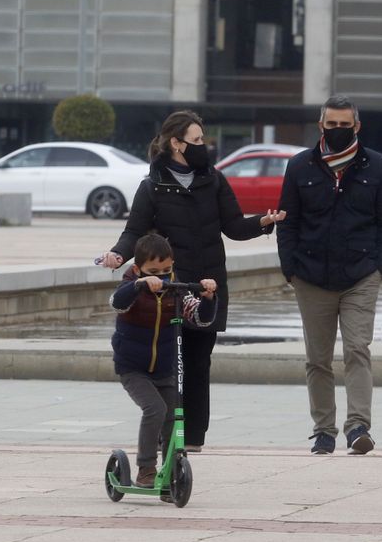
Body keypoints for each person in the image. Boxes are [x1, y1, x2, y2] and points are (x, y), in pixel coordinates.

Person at [99, 110, 283, 451]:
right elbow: (134, 233)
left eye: (202, 140)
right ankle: (165, 439)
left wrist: (263, 222)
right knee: (169, 368)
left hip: (207, 286)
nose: (204, 146)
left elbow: (233, 226)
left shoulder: (213, 179)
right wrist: (117, 255)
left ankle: (193, 439)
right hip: (166, 290)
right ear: (176, 143)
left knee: (198, 364)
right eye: (197, 140)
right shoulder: (152, 186)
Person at [276, 95, 382, 455]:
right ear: (321, 126)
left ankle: (358, 426)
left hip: (361, 275)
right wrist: (290, 268)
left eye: (345, 125)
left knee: (357, 349)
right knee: (317, 358)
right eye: (332, 125)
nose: (338, 131)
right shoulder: (300, 166)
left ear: (357, 126)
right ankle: (324, 430)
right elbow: (289, 221)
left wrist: (381, 266)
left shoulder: (376, 166)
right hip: (310, 275)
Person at [109, 233, 217, 486]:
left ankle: (170, 471)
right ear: (137, 269)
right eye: (154, 271)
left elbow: (201, 319)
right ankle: (146, 468)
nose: (162, 277)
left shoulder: (176, 292)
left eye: (167, 270)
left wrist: (208, 297)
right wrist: (139, 284)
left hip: (164, 367)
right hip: (133, 368)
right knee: (155, 409)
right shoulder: (131, 287)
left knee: (173, 415)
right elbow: (117, 303)